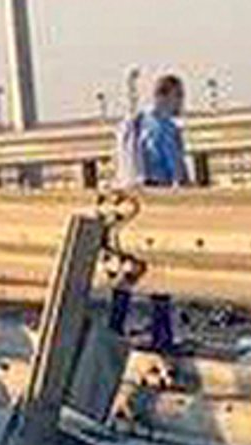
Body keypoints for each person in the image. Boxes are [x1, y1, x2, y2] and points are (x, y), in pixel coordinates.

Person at [110, 75, 191, 349]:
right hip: (156, 198)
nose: (181, 104)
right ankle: (162, 334)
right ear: (167, 96)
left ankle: (114, 327)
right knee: (159, 267)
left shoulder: (132, 124)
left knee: (129, 266)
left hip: (127, 202)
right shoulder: (165, 128)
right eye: (179, 97)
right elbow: (177, 170)